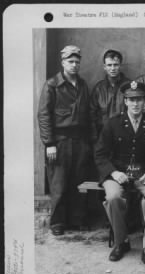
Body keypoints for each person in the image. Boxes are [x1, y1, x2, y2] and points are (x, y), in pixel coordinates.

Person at [94, 81, 145, 273]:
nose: (135, 104)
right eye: (131, 100)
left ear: (144, 101)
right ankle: (121, 241)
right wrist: (114, 173)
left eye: (139, 99)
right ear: (125, 101)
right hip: (118, 173)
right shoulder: (113, 123)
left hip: (144, 174)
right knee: (113, 197)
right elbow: (100, 154)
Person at [37, 45, 93, 236]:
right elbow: (43, 115)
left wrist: (89, 143)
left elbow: (89, 114)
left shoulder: (83, 84)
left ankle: (78, 220)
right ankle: (58, 223)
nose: (74, 65)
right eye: (70, 61)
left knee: (79, 182)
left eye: (77, 61)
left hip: (81, 141)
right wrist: (49, 144)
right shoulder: (52, 85)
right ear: (63, 63)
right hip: (59, 141)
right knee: (59, 184)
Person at [90, 49, 130, 141]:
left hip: (125, 136)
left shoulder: (129, 86)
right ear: (104, 67)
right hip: (103, 136)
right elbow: (92, 115)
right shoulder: (98, 88)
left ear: (120, 65)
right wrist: (95, 138)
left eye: (115, 65)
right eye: (109, 65)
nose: (112, 68)